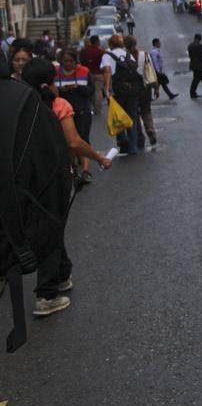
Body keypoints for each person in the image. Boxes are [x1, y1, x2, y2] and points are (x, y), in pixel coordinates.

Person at [20, 58, 112, 317]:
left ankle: (62, 272)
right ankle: (47, 293)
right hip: (54, 178)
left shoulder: (19, 105)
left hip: (25, 179)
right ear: (50, 83)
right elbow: (73, 142)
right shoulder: (57, 105)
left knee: (49, 226)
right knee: (51, 228)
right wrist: (99, 158)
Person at [54, 49, 96, 183]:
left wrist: (77, 87)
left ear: (75, 61)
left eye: (70, 61)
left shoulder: (84, 71)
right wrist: (61, 90)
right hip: (64, 113)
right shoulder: (55, 72)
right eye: (65, 61)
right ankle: (73, 170)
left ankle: (86, 170)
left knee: (82, 139)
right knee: (68, 143)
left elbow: (91, 91)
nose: (68, 64)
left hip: (81, 110)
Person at [102, 34, 142, 154]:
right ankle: (133, 146)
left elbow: (107, 72)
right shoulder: (127, 54)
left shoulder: (107, 55)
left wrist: (107, 89)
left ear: (110, 44)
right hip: (132, 90)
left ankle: (122, 139)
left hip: (117, 90)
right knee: (132, 117)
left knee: (117, 116)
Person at [126, 36, 158, 151]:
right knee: (146, 110)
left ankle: (140, 137)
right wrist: (156, 87)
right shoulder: (144, 55)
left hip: (131, 90)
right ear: (135, 43)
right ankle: (150, 130)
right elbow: (151, 70)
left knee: (135, 113)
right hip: (145, 88)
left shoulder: (124, 57)